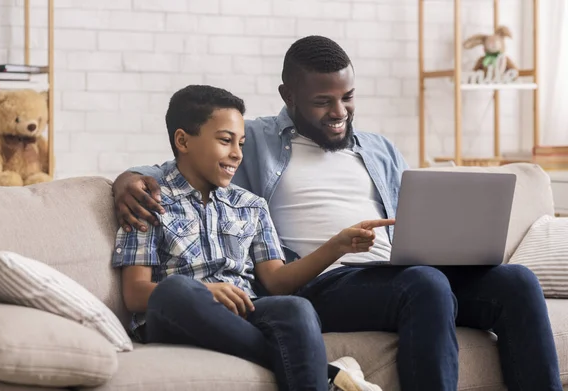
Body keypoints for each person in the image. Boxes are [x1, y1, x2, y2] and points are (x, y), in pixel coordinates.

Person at [112, 36, 563, 391]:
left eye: (347, 97)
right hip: (324, 280)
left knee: (514, 281)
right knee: (424, 284)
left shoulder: (380, 149)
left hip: (393, 271)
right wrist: (127, 179)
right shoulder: (255, 139)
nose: (339, 111)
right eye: (322, 101)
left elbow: (417, 218)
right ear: (288, 95)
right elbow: (180, 166)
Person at [111, 84, 387, 391]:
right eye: (225, 140)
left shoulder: (251, 206)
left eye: (241, 143)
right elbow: (135, 293)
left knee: (295, 309)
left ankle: (318, 376)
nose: (236, 154)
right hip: (176, 314)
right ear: (182, 140)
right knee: (176, 290)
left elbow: (278, 281)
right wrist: (207, 292)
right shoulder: (147, 200)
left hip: (243, 313)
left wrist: (337, 245)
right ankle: (327, 373)